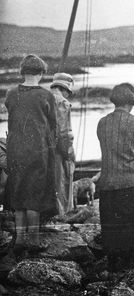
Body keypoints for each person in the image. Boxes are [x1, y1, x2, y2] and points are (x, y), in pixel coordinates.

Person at [96, 83, 134, 271]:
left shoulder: (102, 122)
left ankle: (115, 261)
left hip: (109, 184)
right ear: (133, 101)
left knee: (114, 225)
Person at [3, 54, 58, 254]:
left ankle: (19, 239)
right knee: (34, 195)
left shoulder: (10, 93)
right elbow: (54, 126)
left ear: (22, 71)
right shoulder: (46, 96)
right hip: (38, 151)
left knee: (18, 193)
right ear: (42, 72)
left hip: (15, 150)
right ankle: (33, 239)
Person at [50, 73, 75, 215]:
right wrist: (69, 155)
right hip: (58, 152)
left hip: (42, 152)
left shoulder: (43, 98)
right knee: (61, 187)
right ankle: (61, 217)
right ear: (66, 89)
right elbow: (64, 134)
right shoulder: (63, 103)